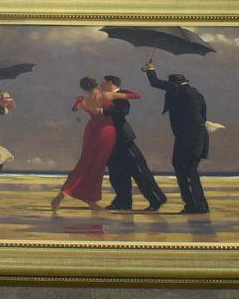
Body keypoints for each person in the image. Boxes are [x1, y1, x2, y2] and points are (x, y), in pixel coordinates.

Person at [51, 77, 141, 211]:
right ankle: (89, 198)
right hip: (106, 131)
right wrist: (120, 91)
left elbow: (75, 109)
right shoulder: (106, 95)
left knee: (84, 163)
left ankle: (65, 193)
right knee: (97, 166)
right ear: (96, 84)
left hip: (91, 131)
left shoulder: (85, 101)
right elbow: (136, 95)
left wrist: (78, 101)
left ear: (84, 88)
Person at [142, 63, 209, 214]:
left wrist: (150, 69)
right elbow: (204, 116)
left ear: (174, 84)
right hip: (199, 137)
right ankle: (200, 205)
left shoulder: (177, 89)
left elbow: (155, 82)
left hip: (186, 138)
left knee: (182, 169)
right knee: (190, 171)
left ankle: (193, 206)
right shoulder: (196, 93)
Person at [101, 75, 166, 211]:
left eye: (104, 81)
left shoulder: (121, 94)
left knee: (139, 171)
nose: (101, 83)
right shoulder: (105, 95)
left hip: (124, 140)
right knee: (116, 173)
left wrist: (103, 111)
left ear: (110, 82)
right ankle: (123, 202)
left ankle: (157, 198)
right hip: (110, 141)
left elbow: (123, 111)